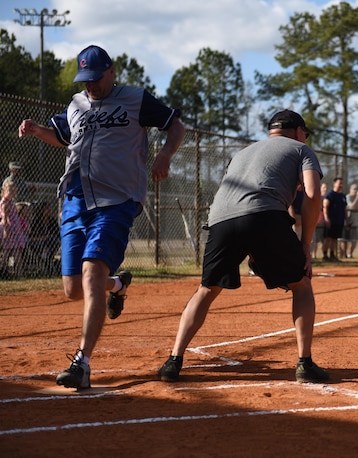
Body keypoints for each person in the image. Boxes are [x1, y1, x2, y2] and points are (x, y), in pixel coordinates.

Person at [18, 44, 185, 389]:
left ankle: (82, 363)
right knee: (73, 288)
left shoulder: (136, 99)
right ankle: (118, 285)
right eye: (85, 80)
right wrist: (37, 131)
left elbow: (176, 126)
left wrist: (165, 156)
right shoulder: (77, 104)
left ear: (111, 72)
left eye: (95, 78)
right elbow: (63, 138)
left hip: (117, 200)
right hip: (76, 198)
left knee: (92, 273)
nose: (90, 85)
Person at [158, 109, 329, 384]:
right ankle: (305, 363)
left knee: (206, 289)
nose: (304, 138)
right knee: (301, 284)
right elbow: (312, 194)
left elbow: (240, 198)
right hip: (265, 216)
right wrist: (305, 245)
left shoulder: (243, 153)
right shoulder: (301, 150)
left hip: (221, 218)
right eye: (304, 134)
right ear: (298, 132)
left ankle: (173, 360)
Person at [0, 181, 28, 278]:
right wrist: (5, 230)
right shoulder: (5, 203)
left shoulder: (11, 202)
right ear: (4, 191)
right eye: (9, 190)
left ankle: (19, 273)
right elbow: (4, 217)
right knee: (7, 251)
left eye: (13, 191)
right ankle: (3, 271)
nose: (12, 193)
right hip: (9, 229)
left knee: (17, 251)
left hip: (16, 229)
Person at [322, 177, 348, 262]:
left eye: (342, 183)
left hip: (339, 221)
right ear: (335, 184)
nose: (341, 185)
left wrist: (346, 219)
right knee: (328, 238)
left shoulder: (342, 196)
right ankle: (325, 256)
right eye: (339, 183)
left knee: (335, 239)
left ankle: (332, 255)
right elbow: (325, 207)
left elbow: (345, 209)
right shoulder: (330, 195)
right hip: (331, 220)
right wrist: (326, 218)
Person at [340, 183, 358, 258]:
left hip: (354, 223)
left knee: (354, 240)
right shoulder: (348, 197)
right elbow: (351, 207)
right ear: (350, 190)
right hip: (347, 222)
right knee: (344, 240)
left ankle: (349, 254)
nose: (355, 191)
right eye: (354, 189)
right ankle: (344, 254)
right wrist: (357, 197)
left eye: (356, 189)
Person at [311, 182, 327, 260]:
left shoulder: (327, 198)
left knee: (323, 240)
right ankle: (313, 255)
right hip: (315, 221)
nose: (325, 189)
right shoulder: (318, 197)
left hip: (322, 222)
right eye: (324, 188)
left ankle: (324, 255)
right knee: (314, 240)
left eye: (326, 188)